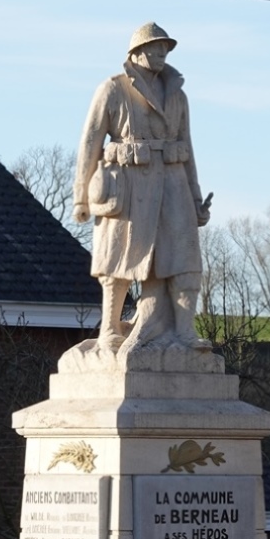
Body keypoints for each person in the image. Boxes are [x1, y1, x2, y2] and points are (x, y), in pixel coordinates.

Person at [72, 22, 212, 353]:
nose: (161, 54)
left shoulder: (177, 94)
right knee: (117, 258)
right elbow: (90, 142)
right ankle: (109, 329)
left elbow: (187, 148)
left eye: (165, 48)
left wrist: (195, 199)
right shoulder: (112, 88)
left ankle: (184, 331)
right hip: (128, 184)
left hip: (173, 183)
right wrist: (81, 197)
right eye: (155, 48)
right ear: (136, 52)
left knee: (183, 256)